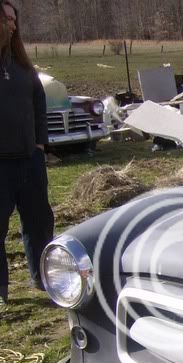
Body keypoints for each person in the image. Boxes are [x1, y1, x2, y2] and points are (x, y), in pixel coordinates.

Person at [0, 0, 53, 311]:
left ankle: (44, 278)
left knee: (39, 221)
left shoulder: (22, 67)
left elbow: (39, 104)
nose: (13, 25)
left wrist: (40, 144)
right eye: (7, 19)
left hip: (28, 161)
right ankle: (2, 290)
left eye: (14, 19)